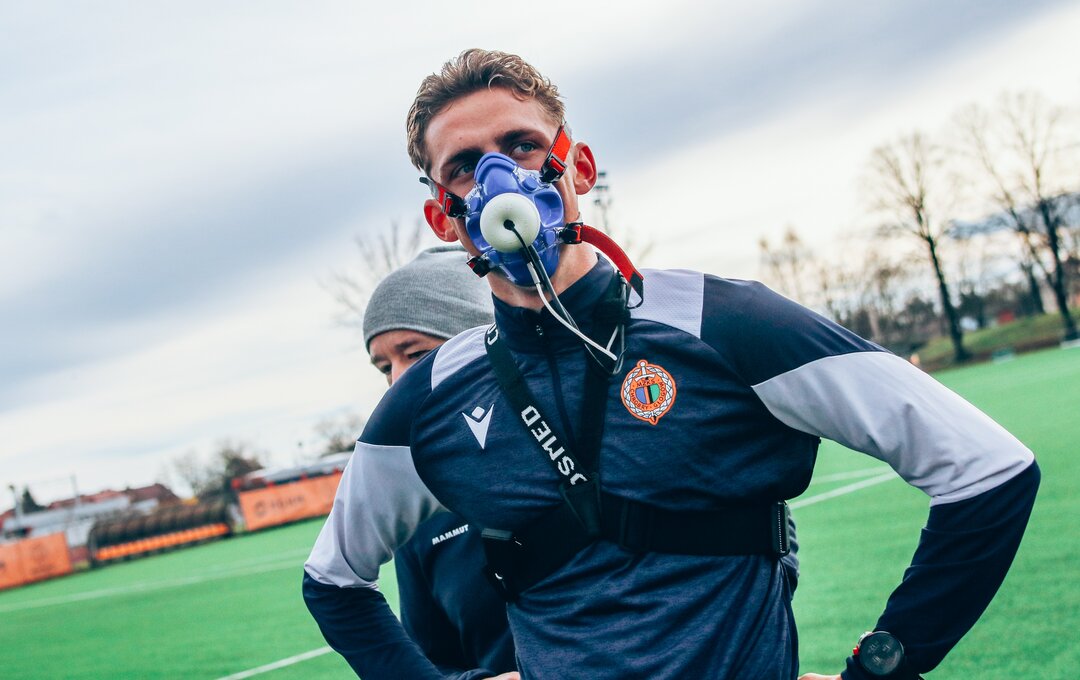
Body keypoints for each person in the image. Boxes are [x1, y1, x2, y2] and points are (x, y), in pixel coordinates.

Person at [304, 49, 1039, 680]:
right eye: (465, 167)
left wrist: (883, 666)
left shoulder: (723, 322)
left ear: (577, 166)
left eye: (522, 145)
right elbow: (332, 580)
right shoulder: (431, 396)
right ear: (443, 214)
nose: (498, 177)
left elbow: (989, 469)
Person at [360, 245, 516, 677]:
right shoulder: (420, 512)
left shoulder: (593, 448)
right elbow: (432, 661)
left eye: (415, 354)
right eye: (384, 367)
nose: (398, 382)